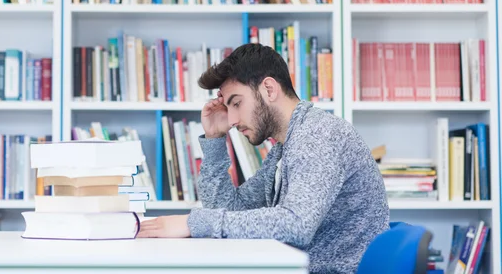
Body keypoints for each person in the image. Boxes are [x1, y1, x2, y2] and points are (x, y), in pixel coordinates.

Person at [137, 43, 390, 274]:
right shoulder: (284, 147)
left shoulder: (319, 134)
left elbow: (296, 224)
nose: (233, 120)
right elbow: (230, 209)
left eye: (237, 103)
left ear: (269, 89)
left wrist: (195, 223)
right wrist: (214, 139)